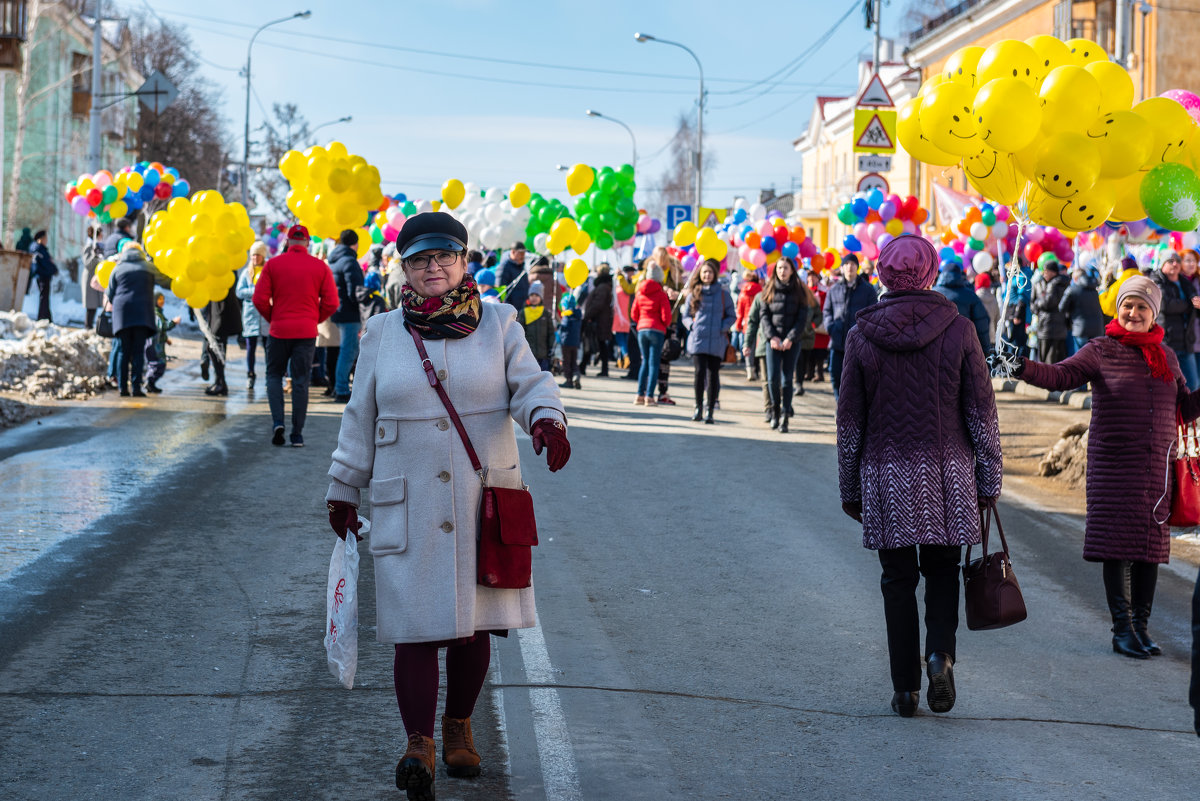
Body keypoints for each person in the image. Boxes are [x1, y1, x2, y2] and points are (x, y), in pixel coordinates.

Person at [324, 212, 569, 800]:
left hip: (481, 496)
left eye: (444, 257)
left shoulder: (500, 324)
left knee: (473, 625)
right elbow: (361, 414)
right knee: (414, 630)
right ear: (404, 268)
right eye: (419, 259)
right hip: (405, 500)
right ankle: (418, 744)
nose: (433, 267)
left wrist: (547, 421)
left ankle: (458, 727)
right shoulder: (383, 331)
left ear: (463, 261)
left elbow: (531, 383)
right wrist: (342, 485)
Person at [838, 236, 1002, 718]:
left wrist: (849, 487)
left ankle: (905, 689)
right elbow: (982, 413)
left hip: (885, 473)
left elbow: (850, 420)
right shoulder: (960, 329)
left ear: (883, 275)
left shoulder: (862, 334)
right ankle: (939, 656)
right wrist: (988, 479)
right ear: (931, 272)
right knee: (942, 572)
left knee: (896, 579)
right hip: (947, 473)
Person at [1007, 276, 1200, 659]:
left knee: (1151, 550)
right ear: (1118, 308)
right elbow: (1061, 376)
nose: (1133, 312)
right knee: (1118, 547)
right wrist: (1021, 366)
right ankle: (1122, 629)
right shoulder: (1101, 349)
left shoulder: (1167, 356)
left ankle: (1141, 628)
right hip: (1115, 467)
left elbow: (1185, 406)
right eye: (1128, 305)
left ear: (1153, 314)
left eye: (1142, 307)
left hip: (1157, 469)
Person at [252, 225, 339, 447]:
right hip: (306, 332)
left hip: (279, 330)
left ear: (288, 242)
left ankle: (278, 423)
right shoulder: (319, 267)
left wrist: (273, 318)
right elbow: (332, 302)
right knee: (300, 381)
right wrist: (314, 319)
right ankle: (297, 434)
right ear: (307, 243)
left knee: (273, 376)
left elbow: (259, 299)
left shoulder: (273, 264)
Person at [682, 258, 735, 424]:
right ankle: (698, 407)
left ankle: (710, 410)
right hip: (698, 339)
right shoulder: (694, 293)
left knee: (713, 376)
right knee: (699, 374)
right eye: (704, 272)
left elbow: (732, 315)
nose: (707, 275)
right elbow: (685, 316)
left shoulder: (723, 294)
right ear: (700, 274)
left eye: (710, 272)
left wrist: (722, 327)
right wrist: (692, 326)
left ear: (715, 274)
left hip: (717, 340)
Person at [105, 243, 158, 397]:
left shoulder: (118, 268)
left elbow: (110, 293)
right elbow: (162, 281)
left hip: (123, 313)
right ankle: (136, 387)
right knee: (138, 352)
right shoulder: (148, 267)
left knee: (123, 350)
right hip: (142, 313)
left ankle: (122, 388)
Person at [824, 254, 879, 399]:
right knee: (835, 374)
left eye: (853, 264)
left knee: (855, 379)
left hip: (858, 344)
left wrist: (863, 333)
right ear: (842, 267)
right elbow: (827, 311)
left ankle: (851, 410)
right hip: (837, 341)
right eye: (846, 264)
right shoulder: (834, 289)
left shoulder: (868, 290)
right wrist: (831, 328)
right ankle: (839, 403)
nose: (850, 267)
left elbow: (872, 314)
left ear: (857, 267)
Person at [1151, 250, 1199, 390]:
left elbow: (1195, 303)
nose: (1175, 264)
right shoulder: (1157, 280)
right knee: (1168, 385)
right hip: (1167, 341)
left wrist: (1195, 305)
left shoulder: (1185, 282)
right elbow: (1166, 305)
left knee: (1193, 384)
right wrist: (1190, 304)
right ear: (1163, 264)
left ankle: (1185, 412)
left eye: (1178, 261)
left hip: (1186, 341)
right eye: (1170, 261)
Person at [329, 229, 365, 403]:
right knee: (348, 351)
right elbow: (355, 292)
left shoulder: (334, 260)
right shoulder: (350, 262)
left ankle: (340, 386)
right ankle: (342, 389)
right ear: (355, 243)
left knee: (346, 350)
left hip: (339, 310)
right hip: (350, 312)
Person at [629, 263, 673, 406]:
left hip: (642, 329)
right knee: (654, 364)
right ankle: (649, 396)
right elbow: (667, 318)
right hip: (657, 330)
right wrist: (662, 324)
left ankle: (639, 395)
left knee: (645, 362)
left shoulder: (639, 292)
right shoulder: (661, 294)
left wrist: (642, 322)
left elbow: (633, 314)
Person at [934, 261, 991, 352]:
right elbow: (982, 324)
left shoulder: (933, 294)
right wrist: (985, 350)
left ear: (942, 275)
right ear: (959, 275)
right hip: (963, 347)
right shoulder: (970, 295)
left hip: (937, 347)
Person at [235, 242, 270, 390]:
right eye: (253, 255)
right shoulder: (246, 273)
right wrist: (256, 293)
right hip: (251, 315)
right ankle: (250, 374)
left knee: (269, 348)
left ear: (263, 255)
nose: (255, 258)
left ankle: (270, 376)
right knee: (251, 348)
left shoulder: (269, 270)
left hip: (266, 315)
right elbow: (239, 291)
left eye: (258, 255)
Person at [201, 285, 243, 396]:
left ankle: (220, 383)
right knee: (214, 350)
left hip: (221, 319)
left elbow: (223, 305)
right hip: (217, 317)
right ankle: (219, 382)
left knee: (216, 350)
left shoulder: (222, 279)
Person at [1060, 265, 1105, 355]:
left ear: (1075, 279)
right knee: (1095, 356)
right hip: (1097, 328)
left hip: (1080, 328)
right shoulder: (1093, 289)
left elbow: (1061, 307)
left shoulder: (1072, 289)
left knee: (1081, 358)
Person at [743, 293, 773, 423]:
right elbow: (753, 322)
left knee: (783, 381)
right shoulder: (761, 297)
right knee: (767, 380)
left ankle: (780, 407)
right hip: (764, 344)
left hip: (786, 345)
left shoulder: (793, 293)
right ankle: (769, 408)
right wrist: (747, 343)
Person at [580, 266, 614, 377]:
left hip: (598, 320)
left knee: (592, 343)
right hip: (601, 320)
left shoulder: (602, 287)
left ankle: (585, 366)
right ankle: (586, 366)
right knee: (598, 344)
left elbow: (597, 304)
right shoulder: (606, 286)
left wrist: (588, 315)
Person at [144, 293, 180, 394]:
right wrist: (173, 322)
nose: (162, 301)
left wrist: (166, 339)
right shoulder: (156, 313)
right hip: (154, 345)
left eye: (163, 299)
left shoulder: (156, 312)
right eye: (159, 299)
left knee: (155, 364)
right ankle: (149, 382)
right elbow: (162, 326)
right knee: (159, 364)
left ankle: (150, 383)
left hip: (156, 343)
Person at [735, 268, 763, 380]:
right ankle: (757, 369)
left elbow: (739, 310)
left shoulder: (743, 292)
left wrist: (738, 324)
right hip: (760, 323)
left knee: (748, 347)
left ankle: (749, 370)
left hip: (747, 322)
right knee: (758, 347)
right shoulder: (761, 291)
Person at [523, 281, 555, 371]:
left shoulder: (545, 313)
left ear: (541, 297)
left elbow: (551, 332)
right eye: (532, 295)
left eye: (537, 295)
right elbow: (520, 332)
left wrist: (551, 347)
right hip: (528, 354)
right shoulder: (524, 313)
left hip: (543, 355)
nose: (534, 298)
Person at [804, 270, 829, 383]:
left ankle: (819, 374)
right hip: (808, 325)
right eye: (810, 277)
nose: (811, 279)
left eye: (813, 277)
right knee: (810, 351)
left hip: (820, 325)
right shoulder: (805, 291)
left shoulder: (823, 292)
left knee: (819, 353)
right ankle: (809, 372)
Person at [28, 230, 58, 322]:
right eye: (45, 238)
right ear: (41, 239)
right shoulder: (39, 249)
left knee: (45, 297)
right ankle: (42, 318)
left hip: (43, 275)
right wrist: (53, 269)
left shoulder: (40, 249)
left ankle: (47, 318)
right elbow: (45, 263)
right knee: (43, 298)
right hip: (43, 276)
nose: (47, 240)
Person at [556, 293, 582, 389]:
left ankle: (569, 380)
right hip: (575, 342)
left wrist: (559, 326)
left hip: (566, 342)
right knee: (574, 361)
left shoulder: (567, 316)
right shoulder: (578, 315)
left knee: (566, 361)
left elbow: (564, 328)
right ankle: (576, 374)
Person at [80, 226, 104, 328]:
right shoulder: (89, 247)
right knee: (91, 306)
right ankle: (87, 326)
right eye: (100, 233)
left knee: (94, 306)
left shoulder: (98, 246)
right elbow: (88, 263)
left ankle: (89, 326)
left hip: (95, 278)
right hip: (89, 279)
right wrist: (94, 255)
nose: (102, 236)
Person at [497, 241, 529, 314]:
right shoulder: (504, 267)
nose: (523, 256)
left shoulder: (522, 267)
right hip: (510, 309)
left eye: (524, 253)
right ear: (513, 252)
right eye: (521, 253)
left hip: (522, 308)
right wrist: (507, 307)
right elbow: (500, 289)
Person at [975, 271, 1000, 339]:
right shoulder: (993, 299)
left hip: (978, 336)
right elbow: (997, 319)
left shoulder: (975, 298)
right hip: (991, 336)